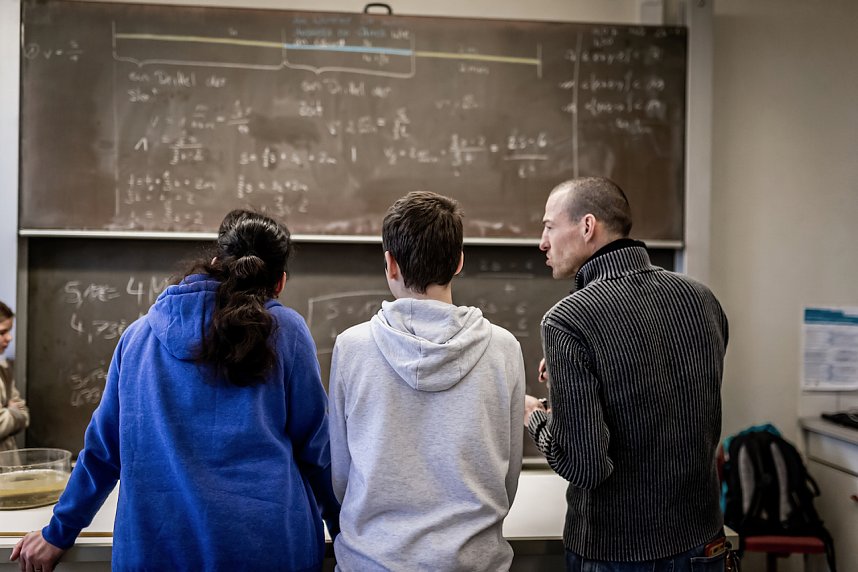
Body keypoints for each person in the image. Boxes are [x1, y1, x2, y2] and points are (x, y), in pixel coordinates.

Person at [12, 210, 340, 572]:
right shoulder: (286, 332)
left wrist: (59, 532)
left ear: (215, 262)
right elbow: (316, 449)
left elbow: (103, 452)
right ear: (279, 283)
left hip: (156, 550)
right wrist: (343, 530)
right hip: (265, 547)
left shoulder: (138, 337)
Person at [524, 177, 729, 571]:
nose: (542, 243)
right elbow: (668, 398)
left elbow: (584, 466)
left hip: (617, 552)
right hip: (704, 542)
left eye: (549, 226)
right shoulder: (703, 300)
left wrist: (535, 417)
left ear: (587, 226)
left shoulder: (568, 320)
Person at [329, 191, 526, 571]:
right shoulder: (504, 348)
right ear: (459, 261)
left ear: (390, 264)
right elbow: (508, 477)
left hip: (371, 561)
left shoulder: (352, 347)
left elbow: (341, 475)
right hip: (474, 562)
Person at [0, 301, 29, 451]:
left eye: (9, 331)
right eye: (2, 332)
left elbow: (24, 414)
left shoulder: (4, 370)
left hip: (8, 461)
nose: (9, 338)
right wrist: (12, 410)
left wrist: (7, 411)